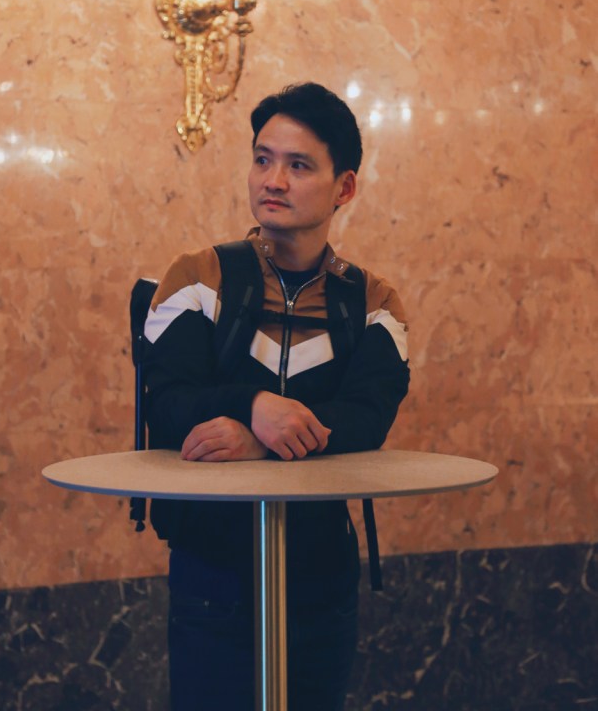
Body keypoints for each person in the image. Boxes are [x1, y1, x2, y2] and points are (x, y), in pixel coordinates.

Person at [144, 82, 410, 711]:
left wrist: (260, 441)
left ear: (344, 187)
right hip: (212, 571)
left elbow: (367, 420)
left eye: (299, 165)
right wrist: (253, 405)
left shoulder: (374, 303)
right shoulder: (197, 278)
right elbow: (168, 402)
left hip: (322, 573)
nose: (274, 180)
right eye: (262, 159)